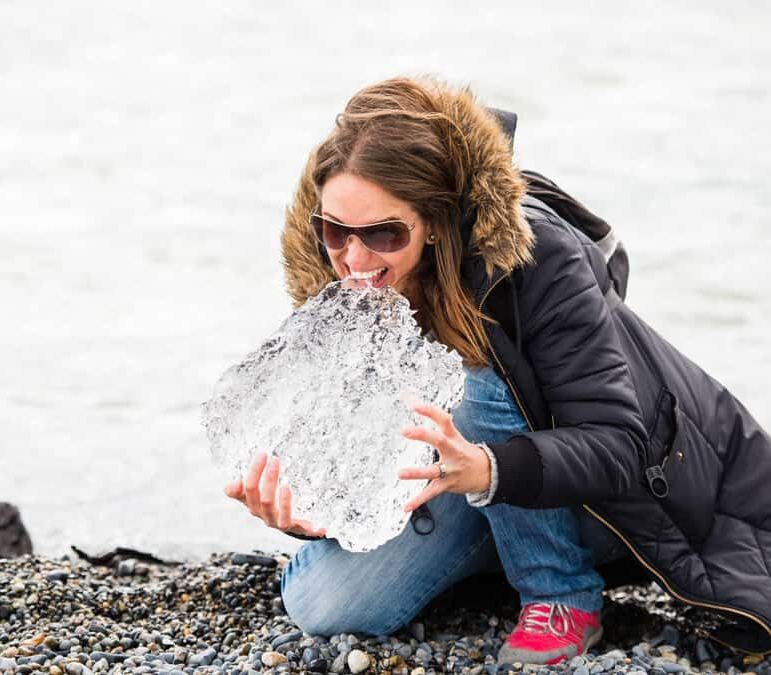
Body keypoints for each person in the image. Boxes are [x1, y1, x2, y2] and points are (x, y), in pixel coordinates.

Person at [224, 76, 771, 661]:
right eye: (335, 231)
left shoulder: (537, 256)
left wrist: (487, 470)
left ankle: (558, 593)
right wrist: (312, 513)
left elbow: (619, 445)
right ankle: (495, 556)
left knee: (481, 376)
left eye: (383, 233)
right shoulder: (336, 286)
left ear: (433, 219)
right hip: (468, 481)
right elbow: (366, 449)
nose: (355, 259)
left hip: (606, 492)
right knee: (322, 606)